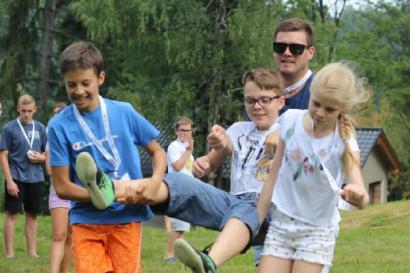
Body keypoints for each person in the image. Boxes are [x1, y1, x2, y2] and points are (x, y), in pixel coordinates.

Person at [75, 68, 285, 273]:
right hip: (232, 203)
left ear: (281, 101)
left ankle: (209, 262)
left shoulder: (290, 128)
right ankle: (110, 188)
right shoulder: (238, 129)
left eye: (264, 100)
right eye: (250, 100)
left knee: (247, 208)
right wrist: (207, 158)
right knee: (179, 181)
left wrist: (284, 135)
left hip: (270, 212)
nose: (257, 106)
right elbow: (210, 162)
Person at [47, 41, 167, 273]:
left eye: (85, 83)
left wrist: (155, 181)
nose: (78, 91)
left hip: (127, 216)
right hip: (86, 219)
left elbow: (158, 151)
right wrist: (99, 197)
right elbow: (62, 186)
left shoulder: (124, 112)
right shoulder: (58, 126)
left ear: (100, 78)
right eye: (71, 85)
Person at [256, 62, 370, 273]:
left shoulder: (344, 140)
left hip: (317, 230)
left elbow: (361, 190)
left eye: (329, 109)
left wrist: (358, 195)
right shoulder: (289, 121)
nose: (319, 113)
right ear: (310, 93)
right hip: (281, 224)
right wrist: (256, 220)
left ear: (342, 109)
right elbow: (273, 176)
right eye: (316, 103)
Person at [0, 94, 47, 258]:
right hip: (16, 177)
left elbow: (48, 153)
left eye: (29, 111)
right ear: (18, 109)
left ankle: (32, 252)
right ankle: (10, 253)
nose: (26, 114)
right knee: (12, 214)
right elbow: (3, 156)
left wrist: (41, 158)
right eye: (23, 111)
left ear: (34, 109)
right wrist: (9, 180)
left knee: (32, 215)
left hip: (36, 178)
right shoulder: (9, 128)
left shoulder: (41, 127)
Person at [163, 116, 195, 263]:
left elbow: (189, 170)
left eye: (188, 130)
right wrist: (188, 151)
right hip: (177, 188)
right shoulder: (174, 146)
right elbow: (177, 166)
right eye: (182, 130)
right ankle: (169, 255)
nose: (185, 133)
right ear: (176, 131)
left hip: (187, 188)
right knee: (177, 226)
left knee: (181, 227)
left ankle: (176, 255)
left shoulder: (186, 148)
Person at [46, 103, 72, 273]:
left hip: (79, 192)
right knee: (59, 234)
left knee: (71, 236)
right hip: (59, 190)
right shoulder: (52, 141)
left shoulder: (78, 137)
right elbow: (49, 169)